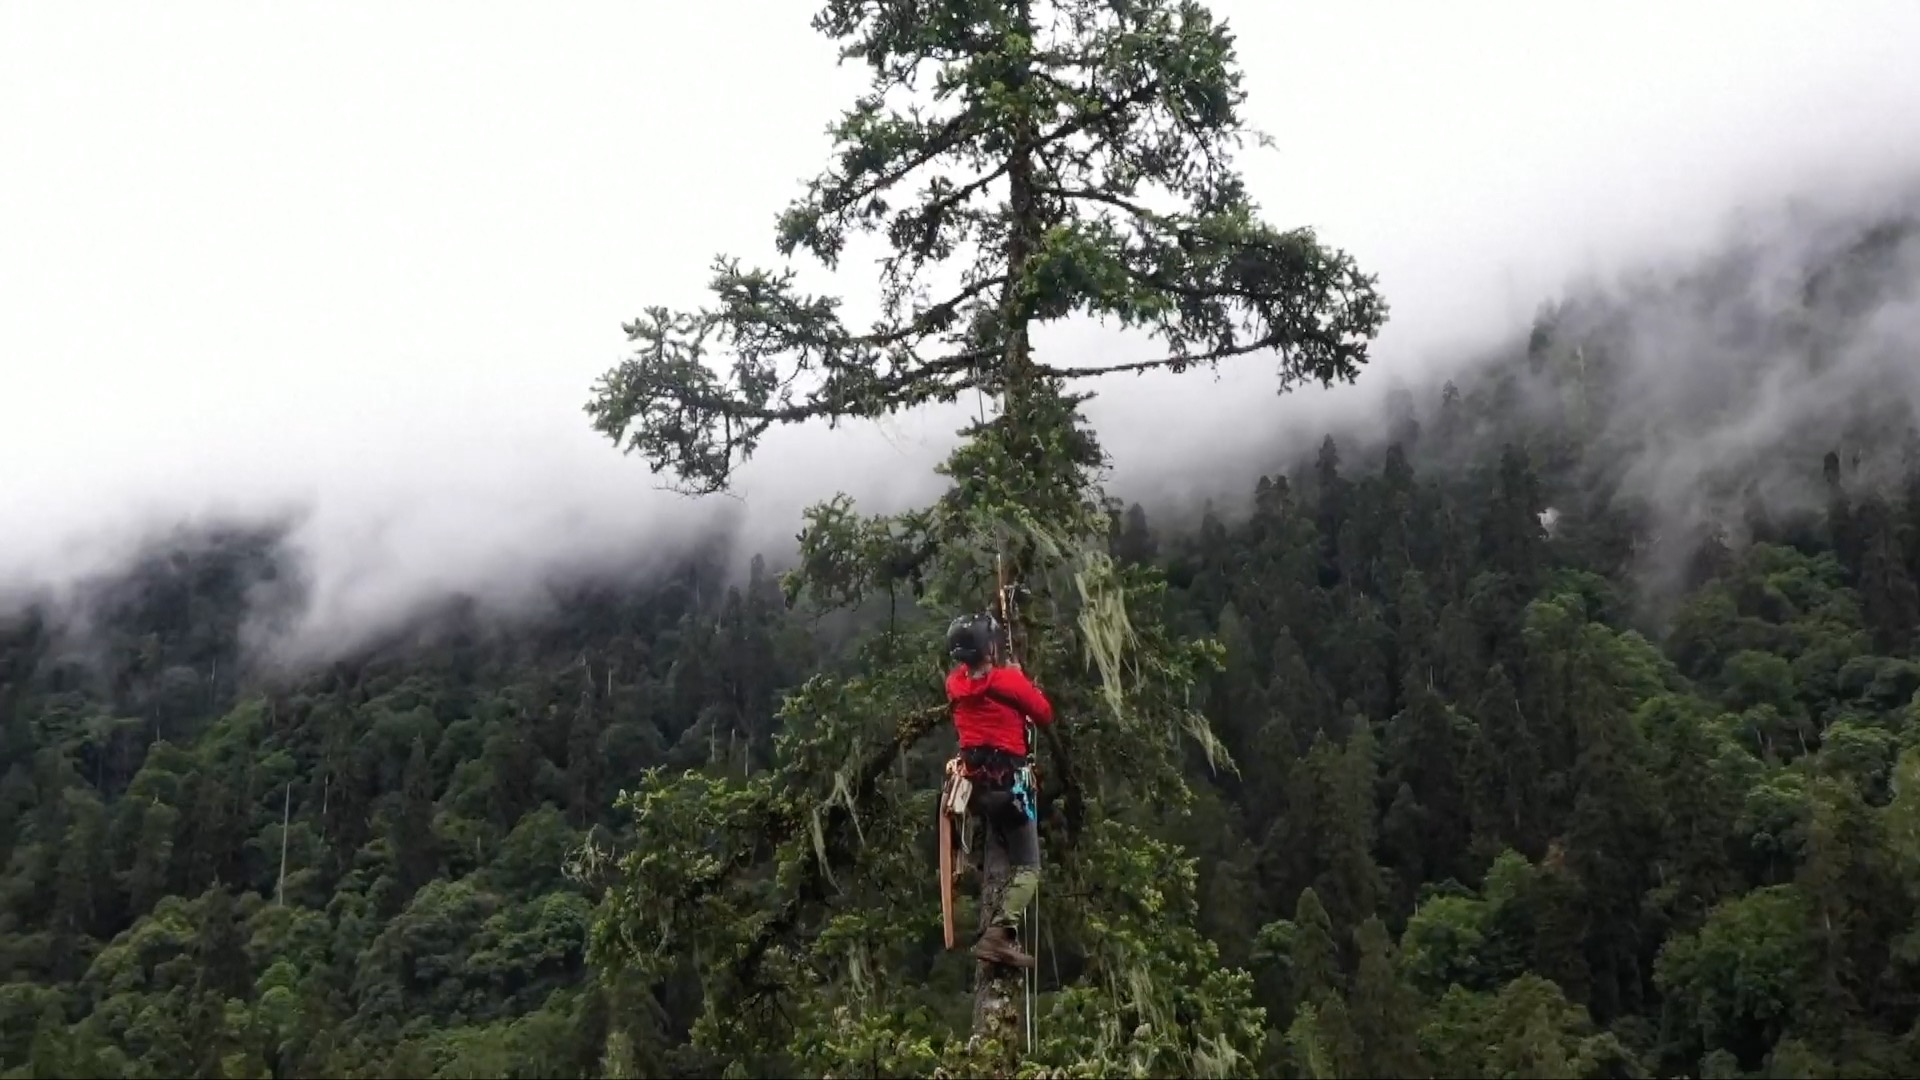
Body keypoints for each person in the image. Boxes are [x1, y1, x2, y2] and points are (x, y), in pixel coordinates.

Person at [944, 611, 1054, 969]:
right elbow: (1043, 713)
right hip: (1011, 791)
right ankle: (998, 934)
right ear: (988, 648)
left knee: (1003, 833)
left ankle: (995, 930)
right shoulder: (1008, 682)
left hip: (978, 792)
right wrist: (1021, 679)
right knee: (1029, 867)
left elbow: (976, 686)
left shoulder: (954, 684)